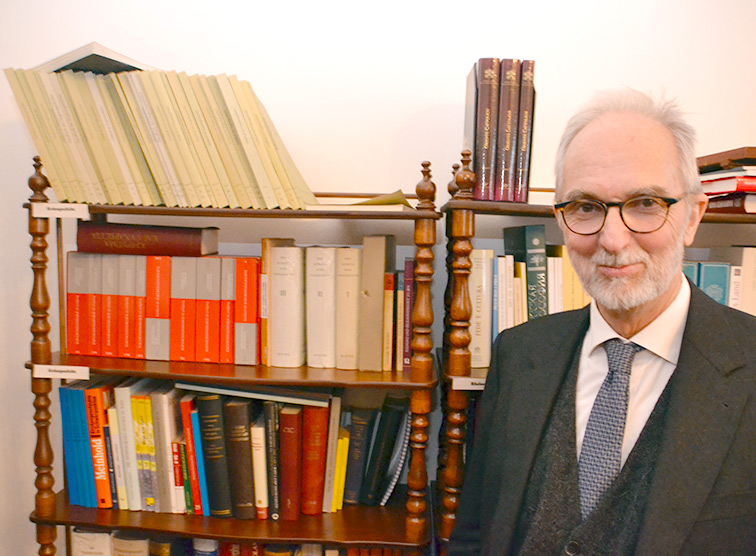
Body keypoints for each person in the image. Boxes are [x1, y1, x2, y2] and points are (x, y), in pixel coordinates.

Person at [447, 88, 756, 555]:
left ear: (692, 217)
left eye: (646, 203)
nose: (613, 240)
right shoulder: (519, 353)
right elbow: (475, 533)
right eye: (586, 207)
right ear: (561, 218)